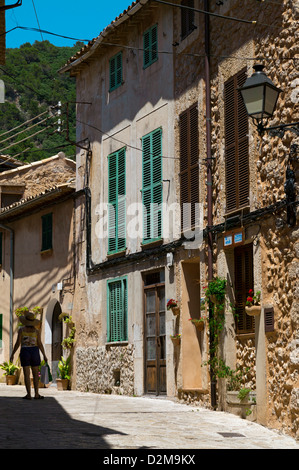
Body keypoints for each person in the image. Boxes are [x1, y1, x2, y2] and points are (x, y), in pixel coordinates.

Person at [10, 311, 48, 400]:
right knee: (35, 374)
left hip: (25, 351)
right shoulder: (36, 331)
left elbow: (17, 343)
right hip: (34, 351)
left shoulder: (21, 330)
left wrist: (12, 354)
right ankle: (37, 394)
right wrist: (44, 355)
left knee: (26, 374)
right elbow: (40, 344)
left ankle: (28, 395)